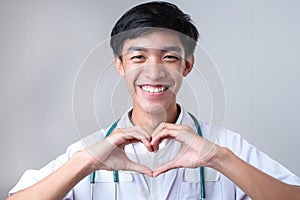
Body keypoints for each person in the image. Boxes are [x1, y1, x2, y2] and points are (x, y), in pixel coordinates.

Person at [8, 1, 300, 200]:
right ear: (120, 65)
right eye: (138, 57)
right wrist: (85, 163)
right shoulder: (90, 151)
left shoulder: (225, 146)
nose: (154, 71)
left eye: (170, 57)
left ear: (187, 65)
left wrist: (218, 160)